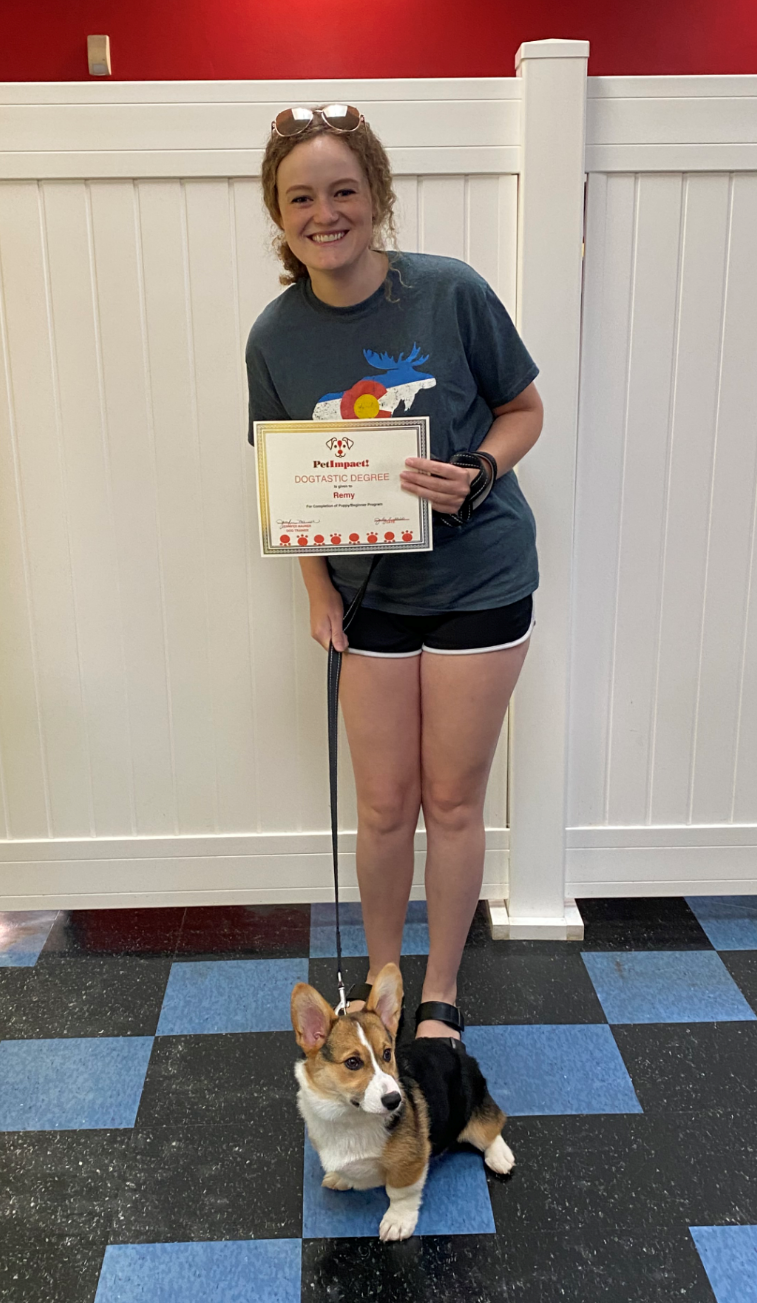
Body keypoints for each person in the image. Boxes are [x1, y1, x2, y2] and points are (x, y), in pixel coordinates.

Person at [245, 105, 543, 1040]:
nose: (324, 212)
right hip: (366, 598)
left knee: (452, 798)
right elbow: (284, 482)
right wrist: (317, 590)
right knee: (382, 804)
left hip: (479, 582)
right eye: (302, 197)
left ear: (375, 197)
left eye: (343, 190)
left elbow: (523, 409)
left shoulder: (449, 293)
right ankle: (382, 991)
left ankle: (441, 997)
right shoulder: (273, 337)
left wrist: (480, 471)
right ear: (279, 214)